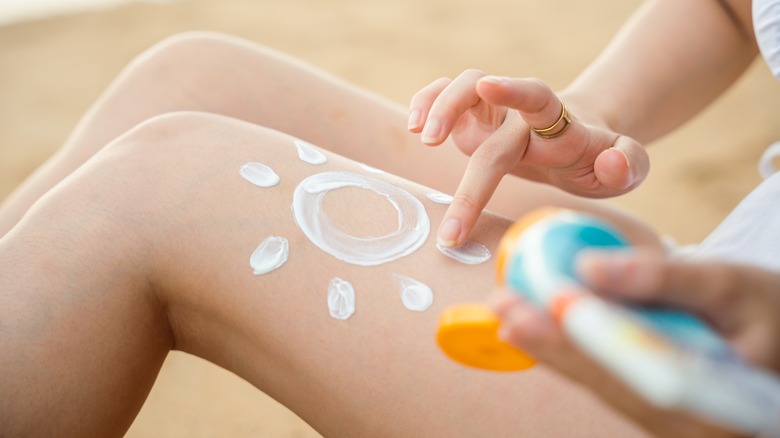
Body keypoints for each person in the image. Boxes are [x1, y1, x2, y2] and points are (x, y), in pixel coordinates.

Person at [0, 2, 776, 438]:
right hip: (732, 273)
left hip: (732, 388)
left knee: (156, 186)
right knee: (193, 78)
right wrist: (590, 114)